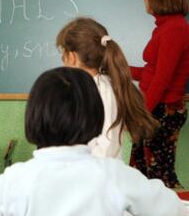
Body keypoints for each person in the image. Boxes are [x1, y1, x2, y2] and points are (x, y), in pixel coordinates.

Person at [0, 67, 186, 216]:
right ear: (96, 118)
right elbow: (175, 210)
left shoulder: (15, 180)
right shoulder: (115, 175)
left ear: (33, 117)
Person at [56, 17, 158, 159]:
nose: (62, 59)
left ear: (72, 57)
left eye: (63, 53)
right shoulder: (88, 88)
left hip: (100, 175)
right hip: (87, 172)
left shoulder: (103, 90)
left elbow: (107, 147)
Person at [130, 0, 189, 189]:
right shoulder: (165, 28)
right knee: (143, 177)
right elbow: (153, 72)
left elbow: (162, 79)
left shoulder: (174, 28)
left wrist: (141, 115)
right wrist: (121, 70)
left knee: (159, 181)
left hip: (163, 111)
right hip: (156, 108)